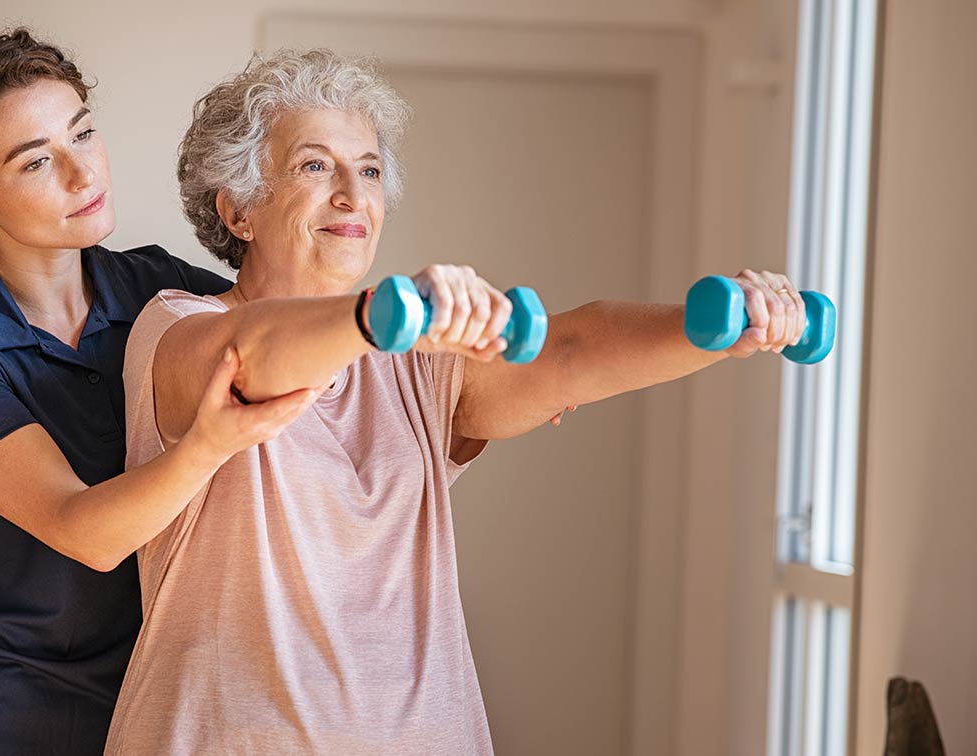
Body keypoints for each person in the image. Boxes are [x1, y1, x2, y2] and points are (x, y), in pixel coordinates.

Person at [102, 49, 808, 754]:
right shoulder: (178, 325)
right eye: (316, 166)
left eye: (370, 170)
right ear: (239, 209)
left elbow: (568, 350)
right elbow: (250, 359)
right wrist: (379, 313)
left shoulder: (415, 355)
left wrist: (721, 326)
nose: (353, 194)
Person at [0, 30, 316, 756]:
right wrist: (210, 444)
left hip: (149, 700)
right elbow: (82, 531)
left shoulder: (159, 289)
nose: (81, 172)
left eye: (83, 133)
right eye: (36, 160)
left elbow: (278, 340)